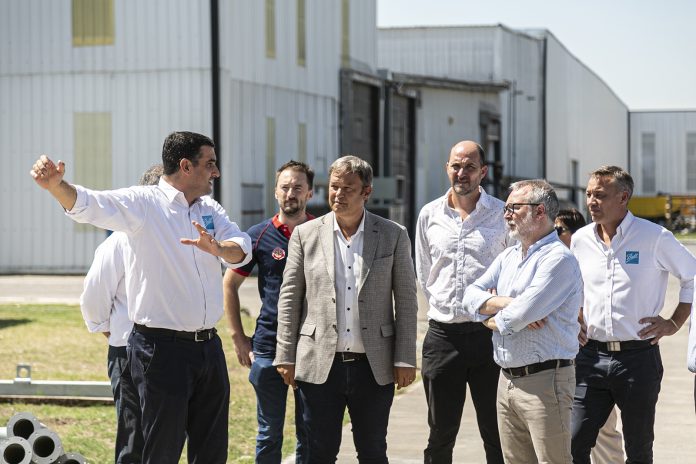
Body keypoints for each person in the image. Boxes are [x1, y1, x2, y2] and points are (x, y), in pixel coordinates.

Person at [30, 131, 252, 464]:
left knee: (212, 450)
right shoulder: (144, 204)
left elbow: (242, 248)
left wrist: (219, 248)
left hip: (208, 349)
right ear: (186, 166)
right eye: (210, 164)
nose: (216, 172)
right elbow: (91, 203)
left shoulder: (209, 209)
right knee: (160, 451)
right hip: (162, 352)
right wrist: (56, 186)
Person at [273, 155, 418, 463]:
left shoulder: (392, 234)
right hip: (319, 364)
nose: (338, 194)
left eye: (348, 188)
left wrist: (405, 357)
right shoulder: (306, 234)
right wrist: (285, 354)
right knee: (318, 452)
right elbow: (290, 297)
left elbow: (406, 300)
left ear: (367, 192)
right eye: (334, 187)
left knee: (373, 451)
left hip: (373, 366)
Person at [570, 165, 696, 464]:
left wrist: (674, 322)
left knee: (638, 450)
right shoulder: (581, 239)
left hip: (637, 360)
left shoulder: (654, 237)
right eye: (589, 194)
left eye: (600, 195)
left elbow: (692, 274)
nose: (591, 202)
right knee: (574, 443)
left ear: (623, 197)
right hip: (590, 357)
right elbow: (574, 284)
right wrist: (576, 314)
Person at [463, 179, 581, 463]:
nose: (506, 215)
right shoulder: (509, 256)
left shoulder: (558, 260)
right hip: (507, 381)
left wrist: (490, 315)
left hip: (546, 382)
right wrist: (507, 303)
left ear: (540, 211)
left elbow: (516, 318)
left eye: (514, 208)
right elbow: (469, 297)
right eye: (506, 208)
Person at [415, 140, 506, 464]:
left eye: (469, 167)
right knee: (440, 434)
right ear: (447, 168)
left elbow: (513, 270)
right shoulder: (429, 214)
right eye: (456, 166)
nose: (462, 173)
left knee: (497, 432)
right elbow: (425, 272)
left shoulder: (501, 214)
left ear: (483, 172)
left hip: (489, 337)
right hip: (443, 338)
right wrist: (445, 308)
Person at [223, 160, 314, 463]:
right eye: (285, 187)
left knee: (310, 433)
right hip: (267, 348)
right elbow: (229, 284)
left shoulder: (323, 232)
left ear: (309, 193)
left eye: (298, 187)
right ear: (275, 192)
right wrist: (238, 338)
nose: (291, 193)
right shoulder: (258, 235)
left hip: (312, 348)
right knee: (269, 433)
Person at [80, 164, 163, 464]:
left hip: (172, 352)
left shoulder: (177, 243)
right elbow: (94, 298)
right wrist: (114, 332)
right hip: (128, 351)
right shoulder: (118, 242)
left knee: (165, 435)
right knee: (133, 435)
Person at [556, 208, 626, 464]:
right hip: (560, 360)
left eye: (559, 230)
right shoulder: (552, 262)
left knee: (603, 430)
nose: (554, 235)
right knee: (571, 435)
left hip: (591, 357)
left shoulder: (590, 261)